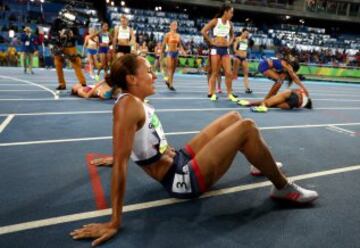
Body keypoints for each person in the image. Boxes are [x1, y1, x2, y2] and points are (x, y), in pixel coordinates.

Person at [70, 54, 319, 246]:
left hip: (179, 158)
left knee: (233, 116)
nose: (155, 75)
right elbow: (123, 164)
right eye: (149, 71)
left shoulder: (134, 101)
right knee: (247, 128)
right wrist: (115, 221)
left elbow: (132, 143)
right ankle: (282, 188)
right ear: (132, 80)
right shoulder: (127, 107)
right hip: (181, 180)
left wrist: (118, 154)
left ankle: (258, 161)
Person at [201, 4, 238, 102]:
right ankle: (212, 93)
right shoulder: (215, 21)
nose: (232, 14)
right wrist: (211, 41)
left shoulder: (230, 24)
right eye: (231, 12)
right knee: (215, 72)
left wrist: (229, 42)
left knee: (229, 73)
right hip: (215, 49)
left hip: (225, 50)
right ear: (225, 12)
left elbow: (233, 35)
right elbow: (203, 31)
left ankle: (230, 94)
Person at [50, 17, 86, 90]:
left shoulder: (73, 22)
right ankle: (61, 84)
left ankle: (83, 83)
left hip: (70, 46)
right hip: (59, 46)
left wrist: (72, 36)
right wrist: (59, 34)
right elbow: (51, 32)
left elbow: (79, 37)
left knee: (76, 63)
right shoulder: (57, 20)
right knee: (58, 64)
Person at [161, 21, 186, 91]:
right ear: (170, 26)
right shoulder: (167, 35)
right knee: (170, 69)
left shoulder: (178, 35)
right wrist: (161, 53)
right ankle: (171, 84)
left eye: (176, 25)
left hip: (176, 53)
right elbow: (163, 44)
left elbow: (180, 45)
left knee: (173, 70)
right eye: (173, 25)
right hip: (169, 52)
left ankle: (168, 81)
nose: (175, 26)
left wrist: (183, 51)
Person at [233, 28, 252, 94]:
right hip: (238, 57)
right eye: (245, 33)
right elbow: (234, 49)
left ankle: (247, 88)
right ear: (242, 32)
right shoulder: (238, 38)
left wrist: (245, 55)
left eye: (247, 33)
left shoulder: (247, 40)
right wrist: (239, 53)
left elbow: (246, 50)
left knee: (246, 74)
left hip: (244, 58)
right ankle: (230, 88)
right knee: (234, 74)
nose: (246, 34)